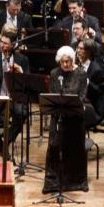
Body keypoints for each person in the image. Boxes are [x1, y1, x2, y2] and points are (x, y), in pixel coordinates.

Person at [42, 45, 92, 194]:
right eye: (63, 62)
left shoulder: (81, 74)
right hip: (58, 117)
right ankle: (53, 182)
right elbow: (52, 94)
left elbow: (82, 96)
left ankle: (77, 181)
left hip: (75, 117)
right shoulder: (54, 73)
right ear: (59, 61)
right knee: (54, 146)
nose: (66, 64)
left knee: (76, 148)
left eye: (69, 61)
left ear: (72, 60)